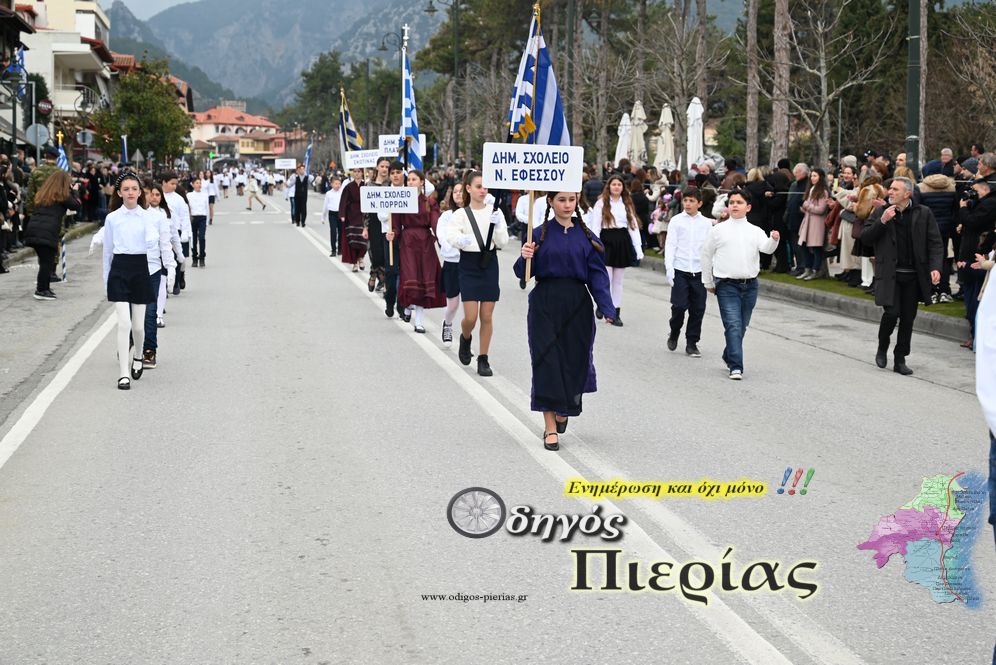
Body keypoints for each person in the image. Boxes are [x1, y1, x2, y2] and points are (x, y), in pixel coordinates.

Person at [515, 190, 615, 451]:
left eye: (571, 200)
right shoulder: (537, 234)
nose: (567, 205)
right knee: (546, 362)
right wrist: (526, 256)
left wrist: (607, 307)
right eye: (561, 200)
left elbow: (597, 275)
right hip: (545, 303)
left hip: (577, 305)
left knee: (574, 362)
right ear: (550, 202)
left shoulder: (586, 236)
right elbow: (523, 275)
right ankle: (550, 428)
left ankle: (563, 411)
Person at [860, 177, 943, 376]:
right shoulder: (881, 212)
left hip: (914, 277)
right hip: (890, 275)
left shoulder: (923, 213)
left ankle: (900, 358)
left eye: (895, 189)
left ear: (907, 194)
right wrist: (882, 221)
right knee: (891, 313)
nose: (890, 192)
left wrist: (936, 267)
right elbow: (866, 238)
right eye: (890, 189)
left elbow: (935, 243)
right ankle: (882, 346)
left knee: (908, 318)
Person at [700, 189, 780, 380]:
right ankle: (736, 366)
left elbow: (766, 249)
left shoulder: (755, 231)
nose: (735, 205)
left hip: (750, 286)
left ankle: (729, 354)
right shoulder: (718, 230)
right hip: (727, 285)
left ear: (748, 207)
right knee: (733, 325)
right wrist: (707, 281)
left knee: (741, 326)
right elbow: (706, 255)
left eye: (739, 202)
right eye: (732, 202)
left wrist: (774, 240)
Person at [445, 171, 509, 376]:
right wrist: (461, 241)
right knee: (471, 317)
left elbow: (502, 242)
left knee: (487, 316)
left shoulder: (495, 211)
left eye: (485, 187)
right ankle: (465, 338)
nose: (483, 190)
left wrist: (498, 225)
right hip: (469, 264)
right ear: (468, 188)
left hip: (489, 262)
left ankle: (483, 358)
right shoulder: (460, 214)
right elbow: (452, 235)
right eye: (479, 186)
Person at [103, 172, 155, 390]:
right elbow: (107, 253)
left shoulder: (148, 217)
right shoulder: (112, 218)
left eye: (134, 188)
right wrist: (106, 280)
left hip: (140, 269)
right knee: (123, 323)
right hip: (119, 270)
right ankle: (123, 373)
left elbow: (153, 246)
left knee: (138, 327)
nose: (131, 192)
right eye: (126, 189)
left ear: (140, 191)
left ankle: (139, 355)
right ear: (119, 193)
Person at [386, 169, 445, 331]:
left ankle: (418, 321)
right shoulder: (401, 200)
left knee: (424, 279)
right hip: (407, 242)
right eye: (409, 180)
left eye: (414, 179)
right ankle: (406, 305)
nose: (410, 182)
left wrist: (443, 240)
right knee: (409, 275)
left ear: (421, 182)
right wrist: (393, 234)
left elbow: (435, 223)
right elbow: (396, 224)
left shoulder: (429, 202)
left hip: (425, 243)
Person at [587, 174, 643, 327]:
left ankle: (615, 312)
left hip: (622, 240)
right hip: (606, 240)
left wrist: (638, 247)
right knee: (607, 277)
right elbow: (596, 226)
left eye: (619, 184)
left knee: (618, 280)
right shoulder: (601, 203)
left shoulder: (627, 203)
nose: (616, 187)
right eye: (614, 184)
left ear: (623, 187)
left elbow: (633, 226)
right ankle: (603, 303)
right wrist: (595, 245)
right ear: (609, 187)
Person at [664, 187, 712, 357]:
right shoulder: (676, 221)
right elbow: (670, 245)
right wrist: (669, 268)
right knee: (679, 306)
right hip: (680, 269)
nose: (687, 204)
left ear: (699, 203)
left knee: (698, 308)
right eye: (685, 200)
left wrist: (710, 272)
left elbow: (709, 248)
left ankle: (692, 342)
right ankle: (674, 330)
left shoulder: (706, 223)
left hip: (699, 271)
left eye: (692, 201)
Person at [22, 170, 81, 300]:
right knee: (47, 262)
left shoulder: (44, 194)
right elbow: (76, 205)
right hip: (46, 232)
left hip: (34, 229)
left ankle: (45, 287)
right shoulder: (62, 195)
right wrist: (75, 191)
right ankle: (41, 290)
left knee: (45, 260)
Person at [956, 177, 996, 348]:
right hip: (971, 256)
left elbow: (974, 221)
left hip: (978, 258)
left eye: (975, 191)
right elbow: (972, 224)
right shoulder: (982, 203)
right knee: (971, 297)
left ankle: (978, 338)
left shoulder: (990, 204)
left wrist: (963, 210)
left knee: (976, 300)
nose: (972, 195)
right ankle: (974, 336)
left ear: (985, 190)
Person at [140, 181, 174, 370]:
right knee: (131, 312)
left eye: (147, 193)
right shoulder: (127, 215)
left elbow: (165, 243)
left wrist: (171, 267)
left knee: (150, 311)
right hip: (132, 269)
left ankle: (149, 350)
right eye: (143, 193)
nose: (146, 196)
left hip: (152, 268)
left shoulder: (158, 217)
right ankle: (131, 340)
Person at [434, 180, 465, 348]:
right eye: (455, 192)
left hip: (469, 264)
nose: (458, 194)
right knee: (453, 305)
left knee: (471, 307)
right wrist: (458, 245)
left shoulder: (473, 213)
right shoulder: (446, 216)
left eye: (461, 191)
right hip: (452, 263)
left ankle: (466, 340)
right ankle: (447, 324)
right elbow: (443, 239)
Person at [796, 168, 831, 281]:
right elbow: (810, 207)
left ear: (820, 177)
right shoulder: (811, 189)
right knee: (804, 246)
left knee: (816, 248)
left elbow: (820, 209)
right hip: (808, 221)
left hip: (817, 223)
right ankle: (808, 269)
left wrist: (806, 205)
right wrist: (803, 208)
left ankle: (816, 270)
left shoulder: (823, 192)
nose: (812, 178)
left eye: (815, 176)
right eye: (811, 176)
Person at [162, 172, 191, 294]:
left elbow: (184, 216)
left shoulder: (179, 199)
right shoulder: (158, 196)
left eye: (176, 184)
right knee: (165, 257)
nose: (174, 186)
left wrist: (185, 231)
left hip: (176, 231)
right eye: (171, 183)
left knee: (178, 257)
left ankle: (177, 281)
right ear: (164, 182)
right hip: (163, 231)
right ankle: (164, 283)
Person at [338, 167, 367, 272]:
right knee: (353, 239)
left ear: (363, 173)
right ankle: (354, 263)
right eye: (355, 171)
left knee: (363, 238)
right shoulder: (349, 186)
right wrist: (342, 214)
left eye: (359, 171)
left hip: (364, 214)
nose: (357, 174)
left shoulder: (366, 186)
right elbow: (343, 200)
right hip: (352, 214)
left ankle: (361, 258)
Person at [187, 176, 210, 267]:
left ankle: (202, 257)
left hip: (202, 217)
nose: (199, 185)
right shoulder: (189, 195)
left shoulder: (205, 194)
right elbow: (187, 208)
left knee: (201, 237)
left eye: (200, 183)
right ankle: (194, 258)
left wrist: (207, 221)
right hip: (193, 218)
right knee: (193, 239)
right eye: (197, 183)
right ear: (193, 185)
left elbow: (207, 208)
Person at [322, 175, 343, 257]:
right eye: (336, 183)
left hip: (340, 214)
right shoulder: (328, 193)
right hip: (332, 214)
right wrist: (323, 217)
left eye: (339, 183)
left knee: (341, 232)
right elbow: (325, 206)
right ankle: (333, 250)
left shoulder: (342, 192)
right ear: (331, 184)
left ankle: (340, 249)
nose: (337, 185)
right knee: (333, 232)